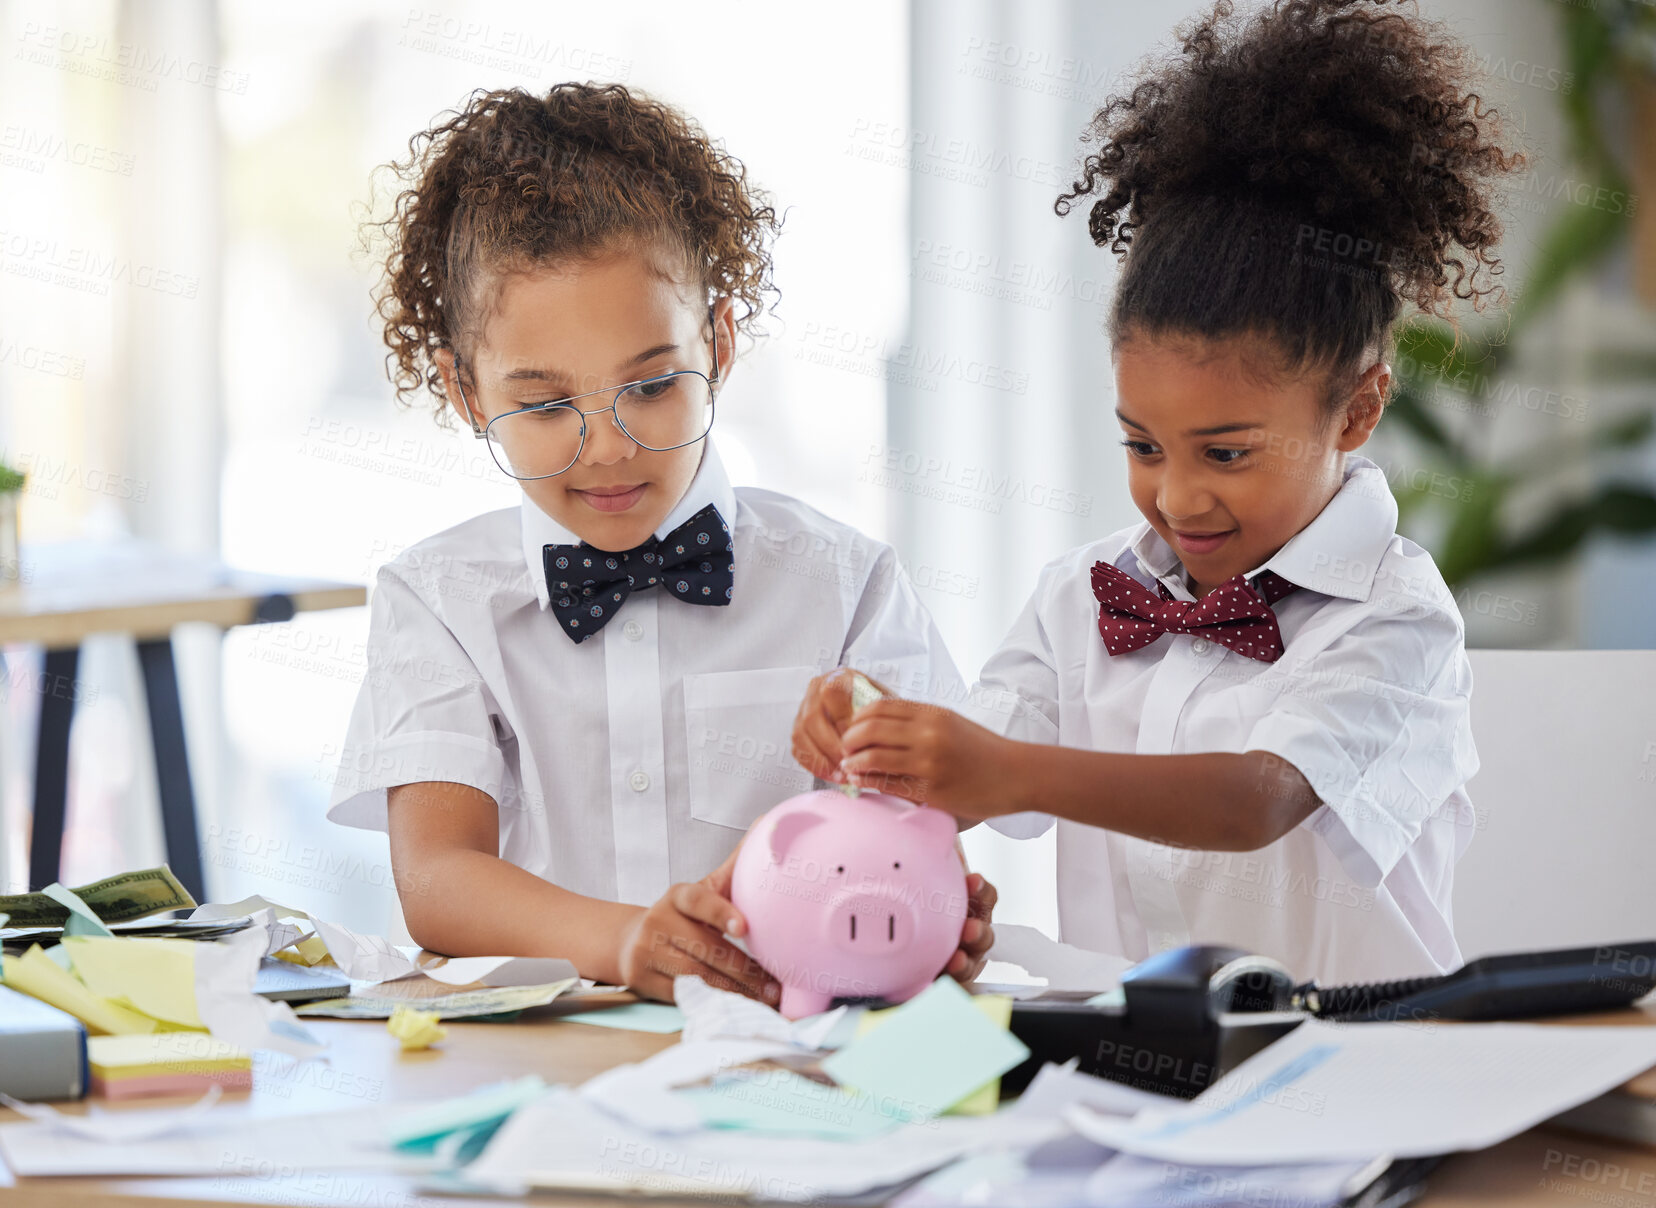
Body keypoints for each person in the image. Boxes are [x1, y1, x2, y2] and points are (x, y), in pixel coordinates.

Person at [794, 0, 1524, 984]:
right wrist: (881, 738)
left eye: (1225, 453)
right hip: (1133, 1066)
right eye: (1142, 443)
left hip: (1361, 1069)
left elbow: (1253, 801)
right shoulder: (1078, 593)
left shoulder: (1396, 619)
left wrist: (999, 768)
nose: (1175, 497)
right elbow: (979, 767)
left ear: (1356, 411)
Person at [329, 83, 993, 1003]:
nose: (607, 446)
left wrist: (925, 898)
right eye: (546, 404)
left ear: (718, 343)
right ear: (467, 392)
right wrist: (629, 940)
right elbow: (437, 881)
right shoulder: (437, 600)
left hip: (790, 1048)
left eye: (651, 386)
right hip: (542, 1067)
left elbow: (931, 828)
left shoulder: (846, 583)